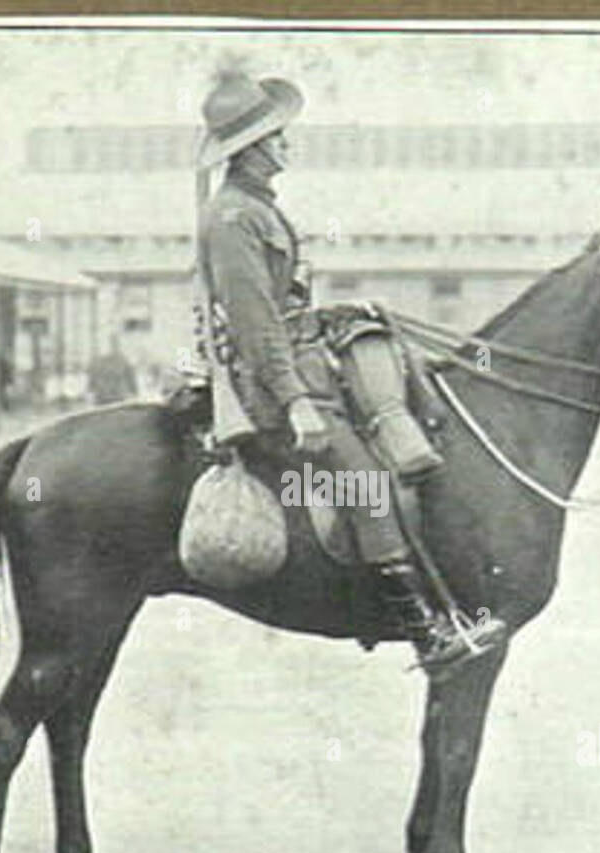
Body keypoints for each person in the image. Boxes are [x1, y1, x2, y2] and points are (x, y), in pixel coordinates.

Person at [195, 70, 506, 676]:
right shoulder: (233, 219)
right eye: (276, 135)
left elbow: (281, 307)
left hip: (305, 367)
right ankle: (425, 633)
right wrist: (294, 402)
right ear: (250, 148)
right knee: (368, 481)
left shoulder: (256, 210)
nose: (287, 144)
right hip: (276, 386)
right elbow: (257, 326)